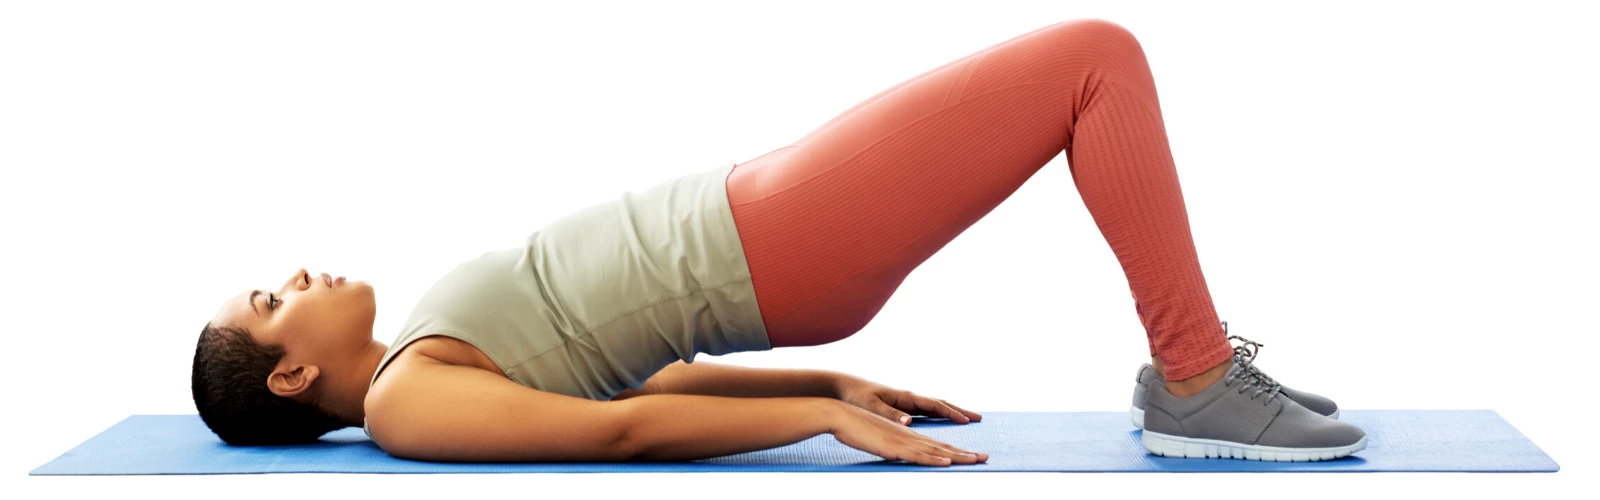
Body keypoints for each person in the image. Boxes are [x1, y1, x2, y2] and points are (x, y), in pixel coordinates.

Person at [191, 18, 1365, 467]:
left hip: (763, 213)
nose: (297, 274)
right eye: (270, 298)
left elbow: (627, 368)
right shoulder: (405, 406)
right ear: (291, 372)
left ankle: (1198, 370)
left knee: (1089, 64)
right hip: (772, 235)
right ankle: (1198, 376)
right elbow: (622, 427)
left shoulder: (427, 360)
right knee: (1094, 61)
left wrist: (827, 377)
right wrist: (813, 418)